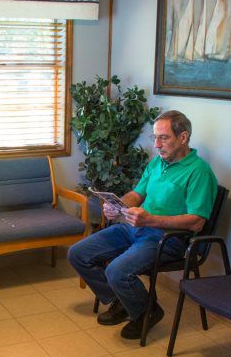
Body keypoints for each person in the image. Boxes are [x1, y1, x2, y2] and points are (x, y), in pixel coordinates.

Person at [68, 110, 217, 339]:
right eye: (155, 137)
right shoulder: (157, 163)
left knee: (116, 270)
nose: (156, 144)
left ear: (183, 137)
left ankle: (148, 311)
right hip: (135, 228)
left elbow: (197, 222)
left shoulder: (199, 172)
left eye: (163, 138)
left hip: (167, 238)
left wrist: (151, 220)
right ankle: (121, 301)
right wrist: (117, 206)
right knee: (78, 253)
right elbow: (136, 195)